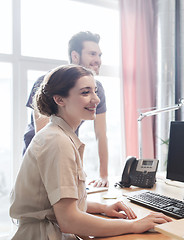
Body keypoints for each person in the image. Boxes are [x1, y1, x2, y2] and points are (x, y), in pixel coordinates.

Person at [10, 65, 172, 239]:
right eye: (85, 92)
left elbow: (65, 204)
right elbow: (69, 220)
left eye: (95, 91)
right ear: (60, 100)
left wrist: (103, 207)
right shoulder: (57, 141)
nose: (96, 99)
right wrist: (133, 224)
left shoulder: (60, 135)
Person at [23, 31, 109, 187]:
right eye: (92, 54)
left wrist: (103, 176)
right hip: (43, 152)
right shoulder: (46, 82)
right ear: (75, 56)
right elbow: (44, 136)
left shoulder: (97, 89)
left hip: (67, 148)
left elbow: (101, 134)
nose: (98, 60)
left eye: (100, 55)